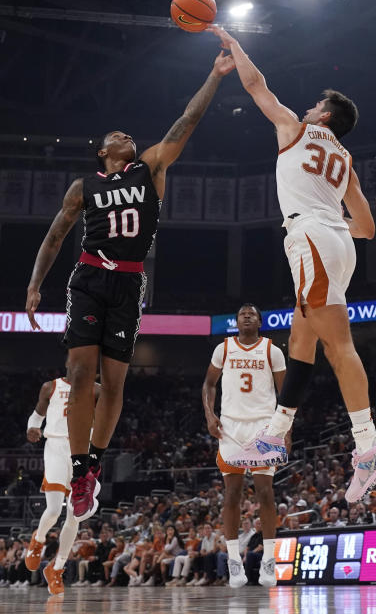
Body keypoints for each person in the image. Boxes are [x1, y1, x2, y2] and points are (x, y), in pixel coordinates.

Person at [25, 53, 236, 520]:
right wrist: (35, 283)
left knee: (115, 385)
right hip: (88, 278)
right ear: (102, 152)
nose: (126, 135)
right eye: (115, 135)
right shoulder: (83, 187)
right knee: (81, 374)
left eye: (128, 134)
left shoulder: (151, 168)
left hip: (128, 282)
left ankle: (92, 465)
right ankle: (80, 468)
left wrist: (215, 76)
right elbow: (56, 235)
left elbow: (187, 120)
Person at [207, 26, 376, 503]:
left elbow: (255, 85)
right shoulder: (346, 159)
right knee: (301, 337)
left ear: (324, 115)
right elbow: (368, 227)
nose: (308, 108)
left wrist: (233, 43)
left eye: (315, 106)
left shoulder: (295, 128)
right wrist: (332, 224)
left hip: (311, 237)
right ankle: (276, 429)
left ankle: (368, 448)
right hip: (334, 241)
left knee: (339, 345)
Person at [202, 304, 286, 588]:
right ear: (236, 321)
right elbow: (209, 385)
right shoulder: (223, 349)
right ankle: (234, 559)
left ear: (260, 322)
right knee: (232, 494)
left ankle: (269, 561)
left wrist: (286, 429)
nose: (247, 315)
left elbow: (286, 394)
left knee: (265, 492)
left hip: (264, 425)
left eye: (252, 313)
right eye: (241, 313)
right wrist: (209, 415)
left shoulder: (272, 350)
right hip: (231, 427)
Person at [24, 375, 101, 595]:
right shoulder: (50, 386)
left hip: (83, 451)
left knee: (75, 517)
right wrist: (32, 427)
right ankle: (38, 540)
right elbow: (37, 415)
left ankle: (56, 569)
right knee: (54, 509)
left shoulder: (98, 390)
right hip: (56, 446)